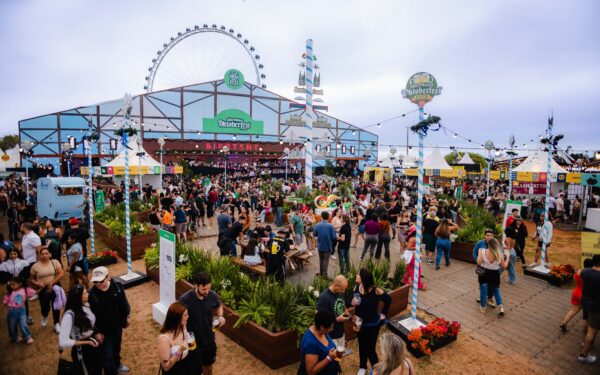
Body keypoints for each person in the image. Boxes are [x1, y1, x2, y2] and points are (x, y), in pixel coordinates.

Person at [179, 272, 225, 375]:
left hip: (209, 339)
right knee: (194, 370)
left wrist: (221, 316)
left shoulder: (212, 295)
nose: (207, 292)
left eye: (209, 288)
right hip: (193, 342)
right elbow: (179, 319)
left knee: (208, 367)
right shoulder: (185, 300)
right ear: (195, 285)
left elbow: (218, 305)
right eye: (204, 289)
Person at [88, 266, 131, 375]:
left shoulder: (118, 287)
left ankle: (117, 365)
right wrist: (96, 331)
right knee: (107, 355)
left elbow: (125, 304)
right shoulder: (91, 294)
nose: (98, 284)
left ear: (108, 277)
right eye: (95, 281)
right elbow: (89, 316)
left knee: (116, 348)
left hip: (117, 327)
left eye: (101, 281)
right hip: (103, 331)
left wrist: (127, 317)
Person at [352, 268, 391, 375]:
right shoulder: (356, 287)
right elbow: (354, 301)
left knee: (370, 348)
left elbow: (388, 300)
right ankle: (362, 366)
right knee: (362, 344)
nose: (356, 275)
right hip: (359, 323)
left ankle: (377, 370)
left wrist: (383, 313)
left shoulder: (376, 291)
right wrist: (352, 303)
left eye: (358, 274)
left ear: (363, 278)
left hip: (372, 325)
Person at [58, 285, 102, 375]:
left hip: (92, 342)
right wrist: (87, 342)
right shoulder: (69, 316)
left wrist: (96, 333)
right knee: (86, 371)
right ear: (78, 297)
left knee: (97, 368)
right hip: (82, 348)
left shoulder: (85, 305)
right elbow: (63, 341)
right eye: (85, 293)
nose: (88, 294)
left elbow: (90, 323)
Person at [29, 247, 64, 333]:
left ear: (50, 254)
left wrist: (51, 283)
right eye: (42, 254)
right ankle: (44, 315)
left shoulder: (55, 262)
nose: (44, 255)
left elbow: (61, 273)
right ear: (39, 255)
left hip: (54, 287)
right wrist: (38, 284)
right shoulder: (35, 266)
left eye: (46, 253)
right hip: (42, 290)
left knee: (56, 306)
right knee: (45, 307)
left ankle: (56, 324)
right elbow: (31, 279)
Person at [298, 310, 341, 375]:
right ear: (322, 327)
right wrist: (329, 358)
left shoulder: (321, 331)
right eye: (330, 328)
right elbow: (311, 371)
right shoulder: (311, 343)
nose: (332, 330)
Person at [157, 302, 193, 374]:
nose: (188, 317)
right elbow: (166, 367)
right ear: (177, 318)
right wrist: (180, 350)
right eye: (185, 315)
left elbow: (188, 342)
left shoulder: (183, 327)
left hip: (186, 366)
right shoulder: (164, 339)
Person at [476, 238, 509, 316]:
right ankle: (501, 307)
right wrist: (507, 258)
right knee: (496, 290)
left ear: (488, 244)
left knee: (483, 289)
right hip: (495, 274)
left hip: (484, 273)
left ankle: (483, 307)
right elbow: (504, 267)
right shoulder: (499, 254)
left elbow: (478, 263)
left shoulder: (482, 251)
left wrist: (479, 253)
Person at [316, 275, 349, 351]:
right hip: (331, 336)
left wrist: (346, 314)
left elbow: (343, 306)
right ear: (336, 285)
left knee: (340, 356)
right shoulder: (323, 297)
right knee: (333, 358)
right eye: (342, 289)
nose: (343, 292)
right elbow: (320, 317)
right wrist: (337, 319)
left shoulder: (339, 293)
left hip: (340, 333)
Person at [578, 254, 600, 364]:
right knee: (592, 332)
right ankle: (584, 355)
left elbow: (579, 273)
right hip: (596, 307)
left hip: (585, 302)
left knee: (586, 321)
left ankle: (585, 341)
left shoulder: (585, 271)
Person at [560, 258, 593, 332]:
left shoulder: (578, 271)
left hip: (576, 292)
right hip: (583, 294)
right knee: (586, 316)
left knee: (574, 309)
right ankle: (586, 333)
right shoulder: (589, 275)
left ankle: (564, 323)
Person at [3, 276, 35, 344]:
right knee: (12, 325)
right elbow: (5, 302)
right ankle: (15, 337)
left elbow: (35, 292)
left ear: (20, 283)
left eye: (13, 284)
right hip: (12, 312)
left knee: (23, 324)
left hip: (22, 310)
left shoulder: (25, 290)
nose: (11, 286)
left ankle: (27, 337)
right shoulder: (9, 293)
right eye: (11, 284)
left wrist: (41, 286)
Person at [472, 229, 496, 308]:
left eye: (491, 235)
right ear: (484, 236)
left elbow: (499, 254)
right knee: (482, 282)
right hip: (481, 267)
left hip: (492, 268)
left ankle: (489, 298)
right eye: (487, 235)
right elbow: (474, 252)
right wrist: (477, 261)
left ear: (493, 236)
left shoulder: (495, 244)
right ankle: (482, 296)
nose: (489, 237)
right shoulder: (480, 243)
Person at [401, 226, 425, 290]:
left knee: (410, 269)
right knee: (416, 270)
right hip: (412, 255)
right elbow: (408, 248)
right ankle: (418, 285)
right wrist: (417, 247)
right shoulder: (413, 239)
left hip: (413, 255)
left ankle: (405, 280)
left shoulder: (415, 238)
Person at [314, 211, 337, 278]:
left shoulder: (317, 225)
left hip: (320, 246)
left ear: (321, 217)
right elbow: (334, 237)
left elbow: (315, 235)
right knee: (326, 261)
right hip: (328, 246)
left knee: (321, 260)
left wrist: (318, 239)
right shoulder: (330, 226)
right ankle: (324, 275)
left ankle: (321, 273)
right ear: (328, 217)